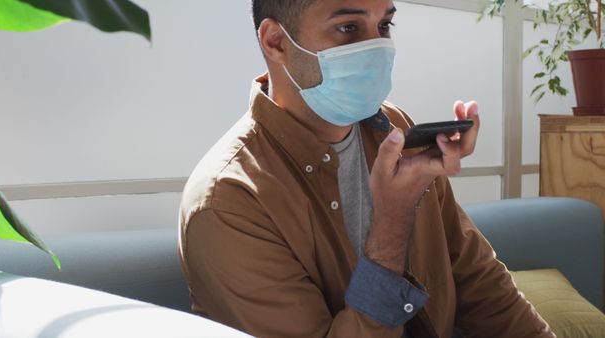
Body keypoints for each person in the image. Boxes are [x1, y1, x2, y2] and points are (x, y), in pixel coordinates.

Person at [178, 0, 554, 337]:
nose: (376, 48)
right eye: (348, 28)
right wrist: (392, 219)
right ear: (275, 41)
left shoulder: (392, 127)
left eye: (384, 26)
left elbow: (476, 280)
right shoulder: (228, 200)